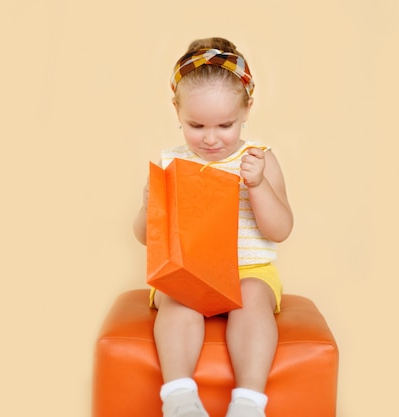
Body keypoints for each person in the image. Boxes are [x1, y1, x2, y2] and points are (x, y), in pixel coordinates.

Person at [133, 37, 293, 417]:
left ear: (247, 110)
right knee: (177, 299)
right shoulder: (172, 162)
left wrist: (259, 186)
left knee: (253, 297)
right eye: (196, 125)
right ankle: (179, 396)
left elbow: (280, 229)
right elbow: (145, 237)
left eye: (225, 125)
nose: (210, 138)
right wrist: (147, 207)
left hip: (248, 273)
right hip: (190, 272)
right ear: (177, 111)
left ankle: (249, 402)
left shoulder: (258, 159)